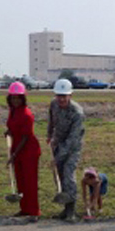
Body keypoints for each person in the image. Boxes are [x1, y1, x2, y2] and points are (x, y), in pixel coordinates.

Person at [47, 79, 85, 222]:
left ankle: (71, 210)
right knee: (59, 176)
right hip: (58, 143)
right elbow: (51, 120)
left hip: (72, 147)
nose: (61, 99)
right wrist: (49, 135)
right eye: (59, 96)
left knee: (68, 175)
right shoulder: (53, 104)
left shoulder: (77, 113)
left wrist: (59, 156)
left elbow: (73, 139)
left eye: (64, 96)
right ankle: (65, 208)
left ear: (70, 96)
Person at [5, 81, 42, 221]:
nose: (15, 100)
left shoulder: (27, 114)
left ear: (23, 98)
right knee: (20, 180)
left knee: (30, 182)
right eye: (13, 98)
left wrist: (14, 154)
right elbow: (13, 127)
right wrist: (9, 131)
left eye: (18, 98)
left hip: (29, 151)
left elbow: (26, 137)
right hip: (17, 149)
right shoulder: (12, 111)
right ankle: (24, 209)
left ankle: (34, 211)